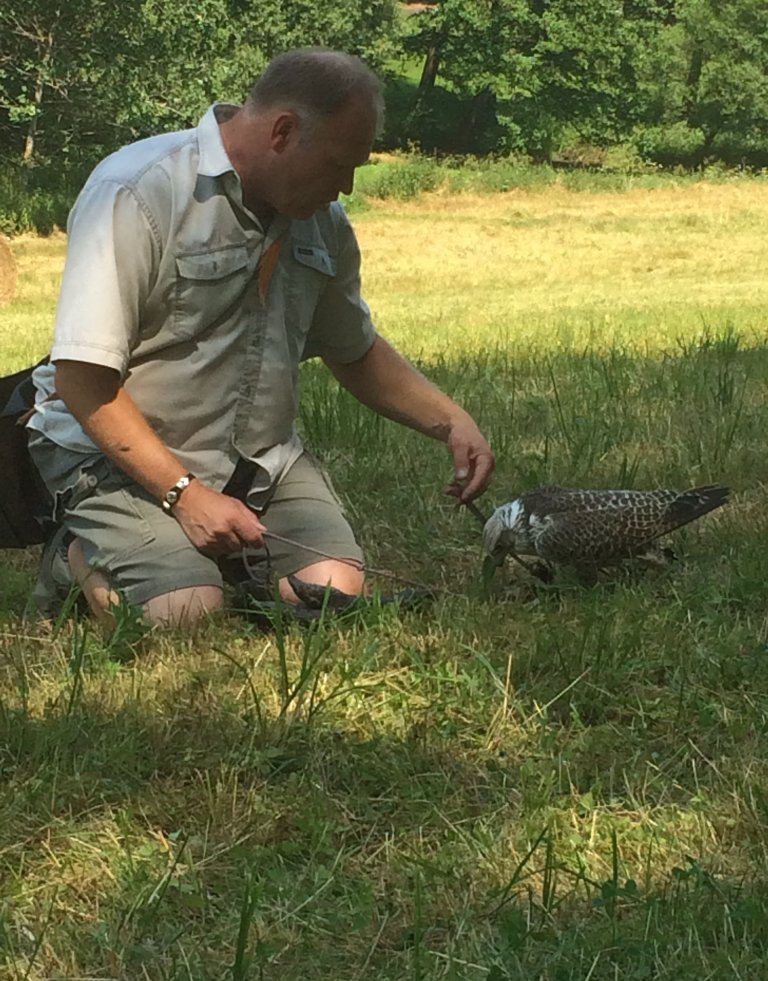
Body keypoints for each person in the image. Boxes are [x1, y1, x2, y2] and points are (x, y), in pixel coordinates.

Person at [27, 47, 494, 628]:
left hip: (259, 462)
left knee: (330, 591)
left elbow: (355, 350)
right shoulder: (138, 191)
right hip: (116, 460)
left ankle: (198, 556)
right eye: (338, 165)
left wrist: (451, 422)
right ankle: (73, 556)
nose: (346, 187)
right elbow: (82, 380)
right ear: (283, 132)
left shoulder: (323, 223)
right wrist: (186, 496)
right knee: (184, 614)